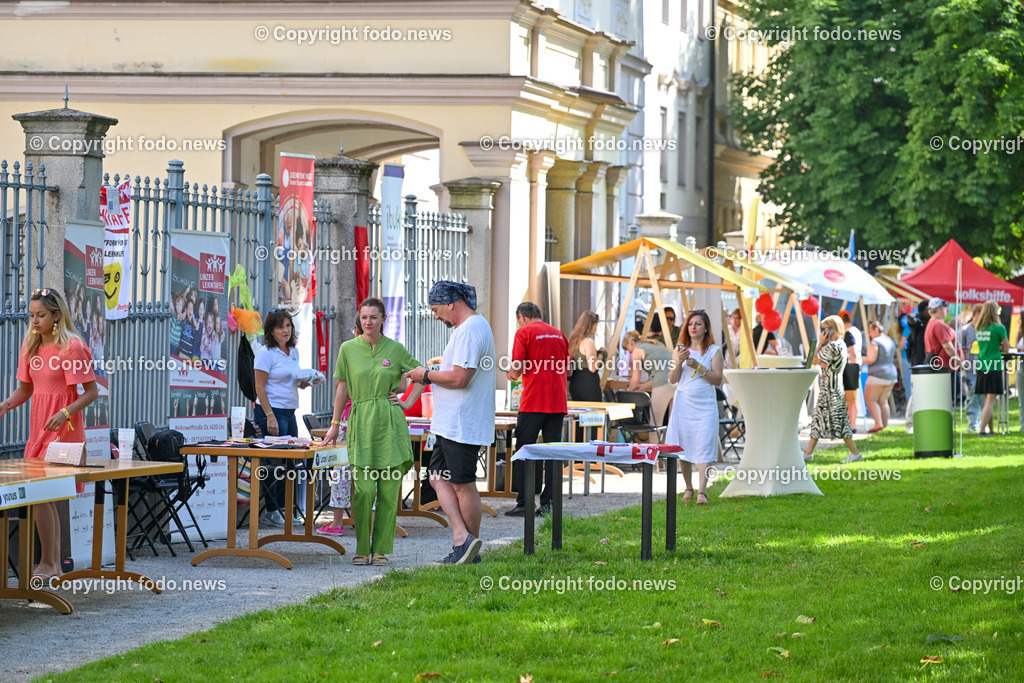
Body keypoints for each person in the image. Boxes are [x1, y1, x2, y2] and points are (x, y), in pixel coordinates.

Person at [0, 288, 98, 581]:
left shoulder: (73, 347)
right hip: (39, 428)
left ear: (57, 315)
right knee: (45, 496)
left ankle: (48, 564)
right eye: (31, 315)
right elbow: (26, 389)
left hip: (64, 430)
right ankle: (51, 564)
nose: (34, 321)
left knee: (44, 494)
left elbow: (91, 392)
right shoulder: (31, 346)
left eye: (40, 315)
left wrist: (65, 412)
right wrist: (4, 405)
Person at [321, 299, 423, 566]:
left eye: (373, 317)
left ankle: (380, 550)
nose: (368, 322)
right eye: (364, 317)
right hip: (360, 422)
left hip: (390, 423)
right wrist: (334, 425)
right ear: (359, 319)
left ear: (383, 319)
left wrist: (408, 401)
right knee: (363, 491)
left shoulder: (395, 348)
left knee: (389, 492)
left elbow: (422, 374)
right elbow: (342, 388)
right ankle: (362, 548)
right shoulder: (348, 349)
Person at [405, 281, 495, 565]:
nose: (435, 316)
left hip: (462, 422)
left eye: (436, 310)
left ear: (451, 304)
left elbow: (459, 378)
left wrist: (426, 375)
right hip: (451, 422)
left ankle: (470, 550)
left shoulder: (470, 330)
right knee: (437, 477)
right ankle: (463, 539)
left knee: (462, 484)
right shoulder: (468, 328)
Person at [505, 302, 568, 517]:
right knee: (552, 453)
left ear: (522, 316)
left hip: (533, 401)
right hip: (557, 401)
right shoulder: (559, 334)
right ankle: (549, 504)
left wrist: (511, 376)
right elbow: (567, 369)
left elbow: (517, 366)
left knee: (524, 450)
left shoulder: (524, 332)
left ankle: (524, 503)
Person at [253, 308, 314, 527]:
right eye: (280, 327)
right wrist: (269, 416)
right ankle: (271, 510)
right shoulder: (265, 353)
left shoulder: (293, 351)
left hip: (289, 411)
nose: (285, 331)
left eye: (288, 326)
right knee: (273, 462)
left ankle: (285, 508)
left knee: (291, 461)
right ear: (271, 330)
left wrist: (305, 382)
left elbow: (291, 379)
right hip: (272, 411)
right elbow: (259, 388)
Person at [664, 309, 723, 506]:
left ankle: (703, 490)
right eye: (690, 324)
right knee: (685, 445)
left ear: (706, 328)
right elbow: (673, 379)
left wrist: (698, 366)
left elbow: (717, 379)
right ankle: (688, 487)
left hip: (705, 405)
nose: (693, 327)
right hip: (684, 405)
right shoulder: (680, 350)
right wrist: (679, 363)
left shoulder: (714, 351)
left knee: (704, 444)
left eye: (698, 324)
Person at [803, 315, 862, 463]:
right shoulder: (841, 344)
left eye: (825, 329)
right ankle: (808, 453)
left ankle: (855, 453)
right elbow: (818, 361)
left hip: (831, 389)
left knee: (840, 422)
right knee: (818, 421)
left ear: (831, 329)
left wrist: (819, 344)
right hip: (834, 387)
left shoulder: (833, 346)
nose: (823, 332)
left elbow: (812, 360)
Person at [623, 330, 675, 431]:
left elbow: (635, 378)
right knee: (672, 424)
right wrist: (643, 387)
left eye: (629, 350)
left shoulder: (637, 350)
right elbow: (661, 372)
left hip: (662, 385)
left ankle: (653, 446)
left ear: (631, 343)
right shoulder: (657, 344)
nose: (630, 353)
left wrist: (628, 391)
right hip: (676, 383)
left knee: (655, 425)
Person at [974, 300, 1009, 437]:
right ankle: (982, 431)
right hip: (994, 365)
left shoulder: (979, 327)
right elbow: (1006, 348)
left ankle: (991, 430)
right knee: (991, 400)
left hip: (982, 366)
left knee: (987, 401)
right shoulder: (999, 328)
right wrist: (998, 346)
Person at [863, 321, 897, 433]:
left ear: (876, 329)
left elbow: (871, 359)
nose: (869, 334)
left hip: (877, 376)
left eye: (870, 331)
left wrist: (859, 361)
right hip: (891, 375)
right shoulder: (890, 340)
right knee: (883, 401)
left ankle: (878, 424)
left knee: (871, 399)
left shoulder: (875, 342)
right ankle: (884, 425)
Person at [924, 298, 961, 401]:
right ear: (939, 308)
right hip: (944, 369)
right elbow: (948, 347)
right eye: (945, 308)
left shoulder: (931, 323)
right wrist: (960, 362)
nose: (946, 310)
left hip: (938, 368)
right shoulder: (939, 324)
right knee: (944, 402)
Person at [958, 304, 984, 432]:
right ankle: (972, 424)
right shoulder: (965, 330)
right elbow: (960, 350)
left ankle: (982, 423)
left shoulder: (985, 330)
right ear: (976, 314)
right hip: (970, 368)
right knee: (972, 395)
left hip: (984, 367)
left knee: (983, 396)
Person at [567, 311, 602, 402]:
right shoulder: (588, 342)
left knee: (579, 414)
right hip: (588, 384)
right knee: (595, 414)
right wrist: (601, 355)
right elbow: (593, 368)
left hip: (575, 383)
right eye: (596, 326)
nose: (596, 329)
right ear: (590, 325)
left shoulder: (572, 341)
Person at [838, 311, 863, 432]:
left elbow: (852, 352)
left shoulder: (848, 333)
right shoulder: (857, 331)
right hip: (855, 366)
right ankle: (851, 424)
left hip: (850, 367)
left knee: (851, 399)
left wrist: (852, 368)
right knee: (852, 399)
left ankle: (852, 425)